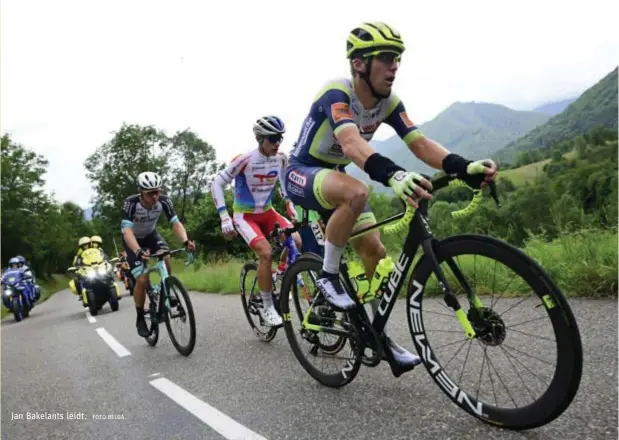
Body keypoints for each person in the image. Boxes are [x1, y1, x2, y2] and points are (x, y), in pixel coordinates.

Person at [284, 22, 498, 370]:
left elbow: (421, 145)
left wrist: (464, 166)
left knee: (374, 250)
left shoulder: (388, 102)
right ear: (359, 64)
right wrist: (394, 175)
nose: (394, 66)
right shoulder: (336, 93)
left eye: (397, 58)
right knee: (356, 191)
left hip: (333, 174)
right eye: (385, 58)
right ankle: (326, 277)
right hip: (301, 170)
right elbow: (352, 143)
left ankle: (378, 337)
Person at [211, 116, 302, 327]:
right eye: (272, 138)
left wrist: (289, 203)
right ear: (260, 138)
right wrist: (224, 216)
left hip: (268, 211)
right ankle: (267, 305)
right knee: (266, 253)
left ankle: (278, 273)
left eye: (280, 138)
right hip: (245, 216)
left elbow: (283, 183)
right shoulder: (245, 160)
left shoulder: (280, 158)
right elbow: (217, 183)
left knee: (296, 240)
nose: (277, 143)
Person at [121, 171, 195, 337]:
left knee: (166, 256)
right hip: (133, 240)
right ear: (141, 192)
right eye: (150, 193)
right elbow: (126, 231)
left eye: (157, 191)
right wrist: (138, 251)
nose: (155, 196)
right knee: (142, 279)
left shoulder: (164, 201)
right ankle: (140, 316)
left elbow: (175, 223)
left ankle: (166, 289)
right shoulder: (131, 203)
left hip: (151, 236)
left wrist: (185, 241)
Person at [72, 237, 92, 301]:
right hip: (85, 269)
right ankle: (81, 293)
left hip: (95, 267)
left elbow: (102, 256)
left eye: (86, 244)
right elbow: (76, 261)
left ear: (90, 244)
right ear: (81, 246)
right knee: (77, 278)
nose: (85, 246)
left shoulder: (95, 250)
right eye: (84, 245)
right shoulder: (80, 253)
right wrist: (77, 265)